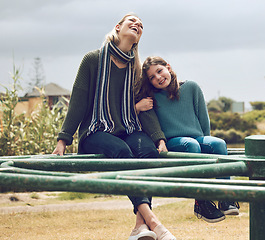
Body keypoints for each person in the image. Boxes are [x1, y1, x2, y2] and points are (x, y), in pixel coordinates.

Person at [52, 14, 176, 240]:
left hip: (126, 130)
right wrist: (63, 139)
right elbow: (78, 101)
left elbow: (146, 107)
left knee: (147, 151)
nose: (137, 24)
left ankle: (140, 225)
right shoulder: (93, 59)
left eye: (141, 25)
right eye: (132, 21)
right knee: (123, 152)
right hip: (95, 131)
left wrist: (158, 139)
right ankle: (154, 223)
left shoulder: (136, 69)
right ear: (118, 28)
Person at [136, 56, 240, 224]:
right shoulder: (150, 98)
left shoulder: (191, 87)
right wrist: (160, 142)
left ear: (168, 67)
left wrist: (207, 143)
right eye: (152, 78)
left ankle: (225, 196)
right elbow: (152, 126)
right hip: (173, 142)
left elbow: (203, 119)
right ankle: (201, 202)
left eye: (159, 71)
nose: (158, 78)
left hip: (198, 138)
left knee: (219, 143)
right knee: (191, 145)